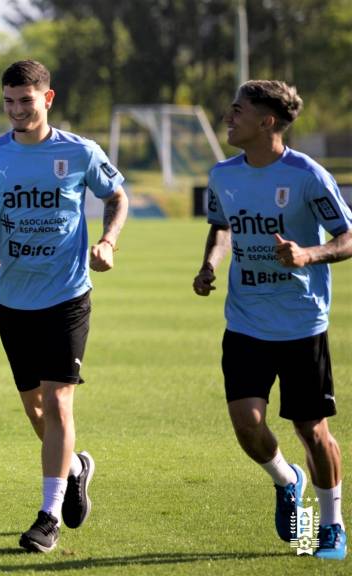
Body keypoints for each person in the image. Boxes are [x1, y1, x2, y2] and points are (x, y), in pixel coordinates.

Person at [0, 60, 127, 553]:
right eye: (8, 101)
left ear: (47, 99)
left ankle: (48, 516)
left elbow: (116, 197)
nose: (16, 110)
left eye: (25, 101)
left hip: (67, 296)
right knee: (35, 407)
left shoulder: (80, 152)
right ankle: (74, 468)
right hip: (12, 301)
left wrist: (108, 241)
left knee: (56, 402)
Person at [193, 80, 350, 560]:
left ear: (267, 122)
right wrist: (210, 265)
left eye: (238, 110)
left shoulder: (307, 175)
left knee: (312, 431)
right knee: (247, 424)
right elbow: (222, 227)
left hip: (301, 322)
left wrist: (307, 254)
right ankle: (287, 479)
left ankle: (330, 525)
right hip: (245, 321)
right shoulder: (223, 174)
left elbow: (347, 237)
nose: (228, 117)